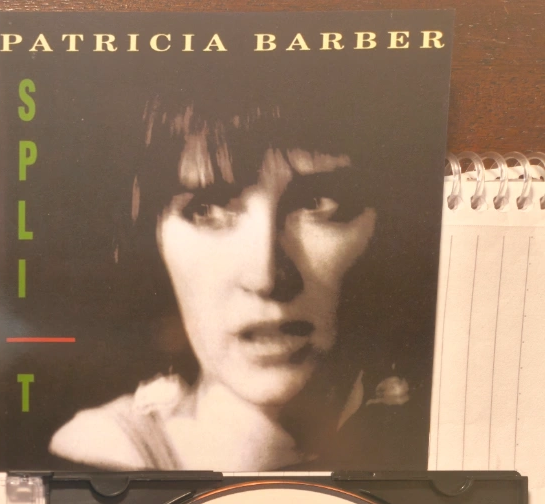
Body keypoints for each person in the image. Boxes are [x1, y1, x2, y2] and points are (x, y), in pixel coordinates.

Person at [49, 92, 416, 471]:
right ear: (153, 239)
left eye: (316, 203)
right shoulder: (107, 449)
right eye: (206, 209)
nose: (265, 276)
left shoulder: (414, 430)